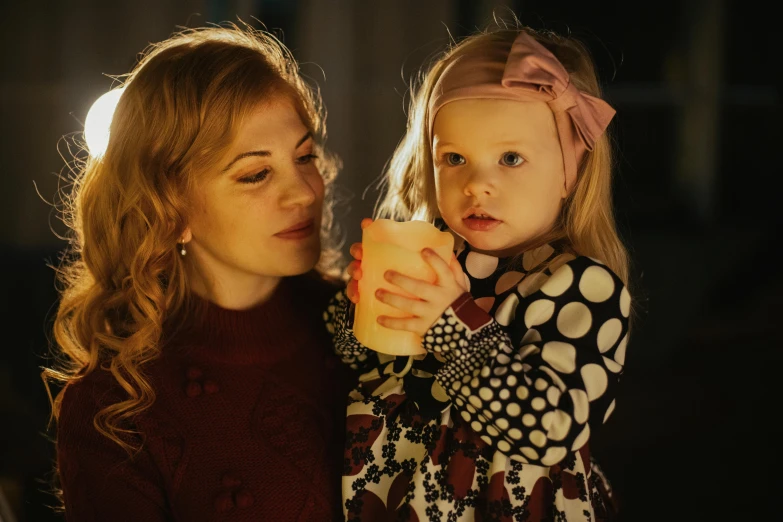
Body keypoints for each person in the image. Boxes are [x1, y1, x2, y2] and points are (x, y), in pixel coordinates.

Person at [327, 22, 632, 521]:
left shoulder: (582, 286)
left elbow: (548, 430)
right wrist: (357, 309)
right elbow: (357, 365)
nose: (478, 184)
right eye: (454, 158)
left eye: (510, 158)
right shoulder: (432, 258)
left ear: (569, 173)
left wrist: (452, 321)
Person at [44, 24, 348, 521]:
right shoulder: (114, 409)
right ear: (171, 210)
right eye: (255, 174)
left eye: (305, 156)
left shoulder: (368, 325)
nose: (305, 192)